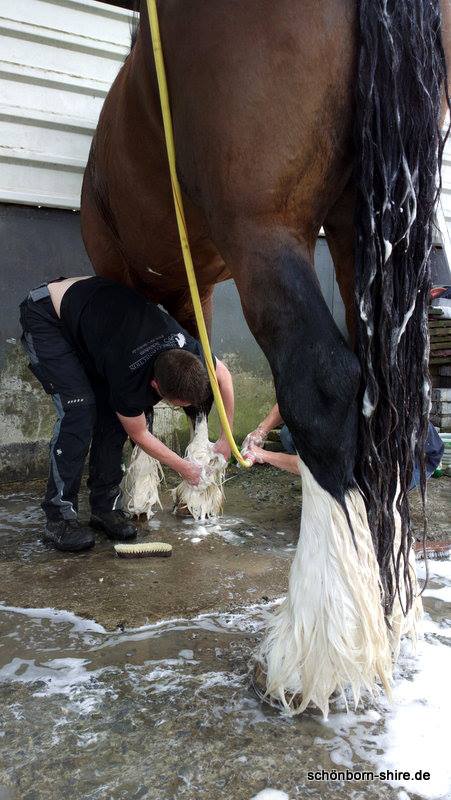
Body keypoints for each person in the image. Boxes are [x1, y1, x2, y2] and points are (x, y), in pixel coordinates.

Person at [19, 276, 234, 553]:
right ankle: (58, 516)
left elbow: (224, 377)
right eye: (176, 404)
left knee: (113, 418)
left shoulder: (188, 349)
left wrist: (226, 438)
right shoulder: (129, 375)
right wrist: (184, 467)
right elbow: (139, 433)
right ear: (155, 385)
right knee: (80, 410)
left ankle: (104, 507)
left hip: (98, 318)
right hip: (49, 316)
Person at [243, 403, 444, 485]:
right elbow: (287, 402)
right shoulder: (323, 384)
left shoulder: (354, 425)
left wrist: (264, 455)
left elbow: (320, 466)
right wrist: (262, 430)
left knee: (363, 485)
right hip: (378, 432)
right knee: (288, 434)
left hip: (418, 456)